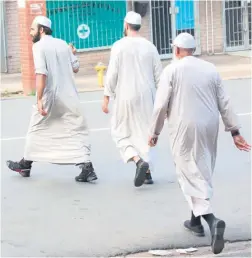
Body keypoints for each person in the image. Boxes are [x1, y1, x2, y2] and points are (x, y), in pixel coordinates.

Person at [148, 33, 250, 254]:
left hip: (183, 127)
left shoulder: (172, 70)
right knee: (201, 170)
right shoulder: (210, 68)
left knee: (187, 172)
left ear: (176, 50)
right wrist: (235, 131)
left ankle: (212, 221)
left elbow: (160, 106)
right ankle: (194, 222)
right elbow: (224, 101)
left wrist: (154, 132)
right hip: (209, 125)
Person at [6, 16, 98, 183]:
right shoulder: (63, 44)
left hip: (51, 95)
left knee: (36, 128)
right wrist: (72, 53)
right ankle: (87, 167)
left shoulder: (38, 46)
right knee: (75, 129)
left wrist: (39, 98)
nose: (30, 32)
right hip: (69, 96)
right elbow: (76, 68)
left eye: (32, 29)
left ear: (41, 30)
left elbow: (41, 73)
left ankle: (25, 164)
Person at [102, 11, 162, 187]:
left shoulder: (119, 46)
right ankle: (148, 171)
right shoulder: (150, 46)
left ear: (126, 26)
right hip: (147, 96)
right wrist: (164, 102)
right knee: (145, 132)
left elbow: (112, 74)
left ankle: (137, 161)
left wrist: (106, 97)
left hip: (125, 96)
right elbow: (160, 76)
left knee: (119, 131)